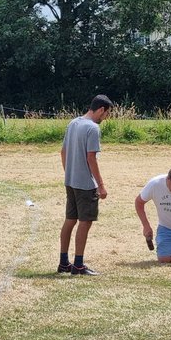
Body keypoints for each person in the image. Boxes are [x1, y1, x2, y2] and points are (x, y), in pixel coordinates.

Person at [58, 94, 113, 275]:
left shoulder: (73, 123)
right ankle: (79, 265)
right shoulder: (93, 129)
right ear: (101, 110)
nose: (105, 118)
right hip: (86, 185)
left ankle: (64, 262)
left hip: (71, 181)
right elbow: (91, 158)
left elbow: (63, 151)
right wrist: (101, 185)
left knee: (70, 220)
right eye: (106, 114)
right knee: (85, 222)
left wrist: (69, 173)